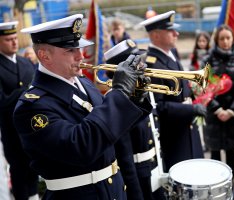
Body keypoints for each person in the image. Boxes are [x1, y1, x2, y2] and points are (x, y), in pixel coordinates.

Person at [13, 14, 152, 200]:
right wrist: (119, 94)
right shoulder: (32, 106)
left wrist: (134, 98)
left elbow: (112, 132)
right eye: (71, 50)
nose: (81, 55)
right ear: (44, 55)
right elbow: (81, 146)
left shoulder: (83, 82)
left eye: (79, 48)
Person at [140, 10, 206, 172]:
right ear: (155, 36)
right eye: (170, 31)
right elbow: (159, 107)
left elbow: (180, 89)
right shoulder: (152, 64)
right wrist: (190, 109)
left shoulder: (172, 54)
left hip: (188, 130)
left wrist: (193, 92)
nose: (176, 33)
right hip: (174, 137)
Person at [105, 39, 165, 200]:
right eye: (136, 63)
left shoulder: (139, 91)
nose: (142, 66)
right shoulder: (116, 101)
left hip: (153, 167)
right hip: (138, 176)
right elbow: (125, 158)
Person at [199, 24, 234, 200]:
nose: (226, 41)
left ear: (233, 39)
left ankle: (230, 186)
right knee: (214, 153)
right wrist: (217, 109)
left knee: (230, 152)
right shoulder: (207, 60)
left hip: (232, 115)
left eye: (229, 38)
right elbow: (202, 88)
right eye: (222, 38)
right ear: (217, 41)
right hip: (214, 115)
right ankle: (216, 187)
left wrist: (231, 110)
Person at [0, 21, 39, 200]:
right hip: (10, 130)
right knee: (18, 170)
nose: (14, 42)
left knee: (33, 167)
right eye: (9, 39)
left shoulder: (26, 63)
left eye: (15, 38)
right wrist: (25, 92)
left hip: (31, 127)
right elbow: (2, 101)